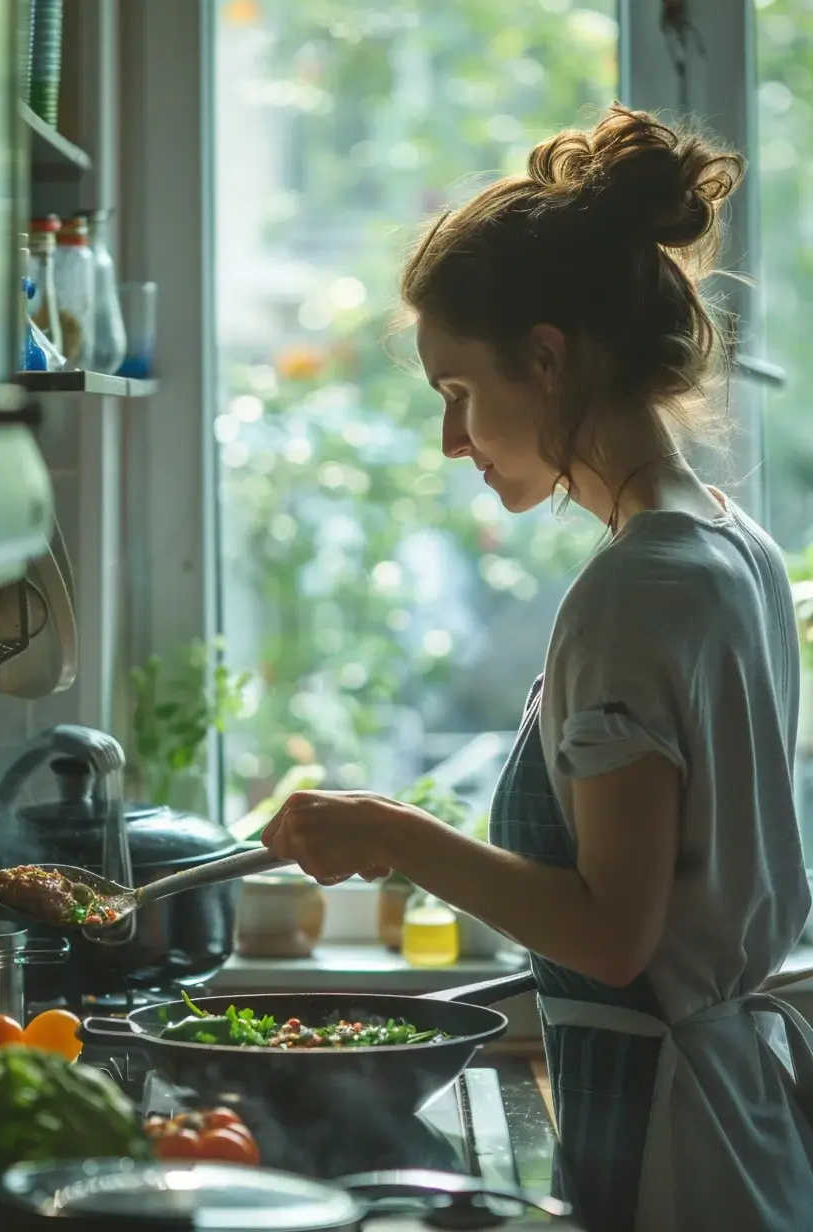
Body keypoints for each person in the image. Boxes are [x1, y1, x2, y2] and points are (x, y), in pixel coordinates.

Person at [261, 104, 813, 1231]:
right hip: (725, 1111)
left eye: (458, 395)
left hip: (680, 1143)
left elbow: (616, 931)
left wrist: (388, 832)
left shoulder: (635, 587)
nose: (451, 443)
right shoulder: (727, 539)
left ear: (547, 358)